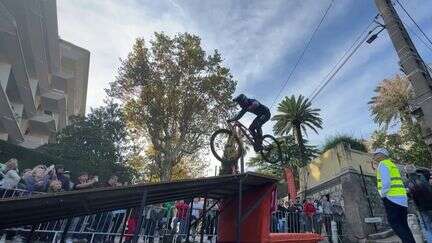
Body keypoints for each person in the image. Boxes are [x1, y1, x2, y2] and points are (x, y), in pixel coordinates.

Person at [373, 148, 415, 243]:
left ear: (381, 155)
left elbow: (386, 183)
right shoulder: (392, 165)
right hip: (402, 199)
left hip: (391, 198)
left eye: (375, 154)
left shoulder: (382, 164)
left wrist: (383, 194)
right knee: (403, 225)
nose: (374, 156)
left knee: (395, 224)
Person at [406, 165, 432, 242]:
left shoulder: (408, 182)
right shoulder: (423, 176)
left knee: (426, 227)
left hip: (421, 208)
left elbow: (409, 196)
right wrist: (416, 168)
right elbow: (427, 170)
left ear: (406, 173)